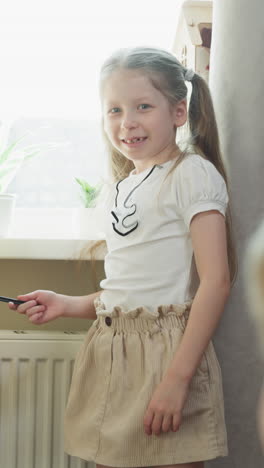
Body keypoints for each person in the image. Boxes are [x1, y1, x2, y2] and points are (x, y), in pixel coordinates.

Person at [8, 46, 237, 468]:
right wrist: (67, 304)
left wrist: (176, 380)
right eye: (113, 110)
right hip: (112, 350)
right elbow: (128, 289)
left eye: (142, 106)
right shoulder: (122, 187)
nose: (126, 122)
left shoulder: (191, 174)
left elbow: (216, 282)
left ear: (178, 112)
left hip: (166, 355)